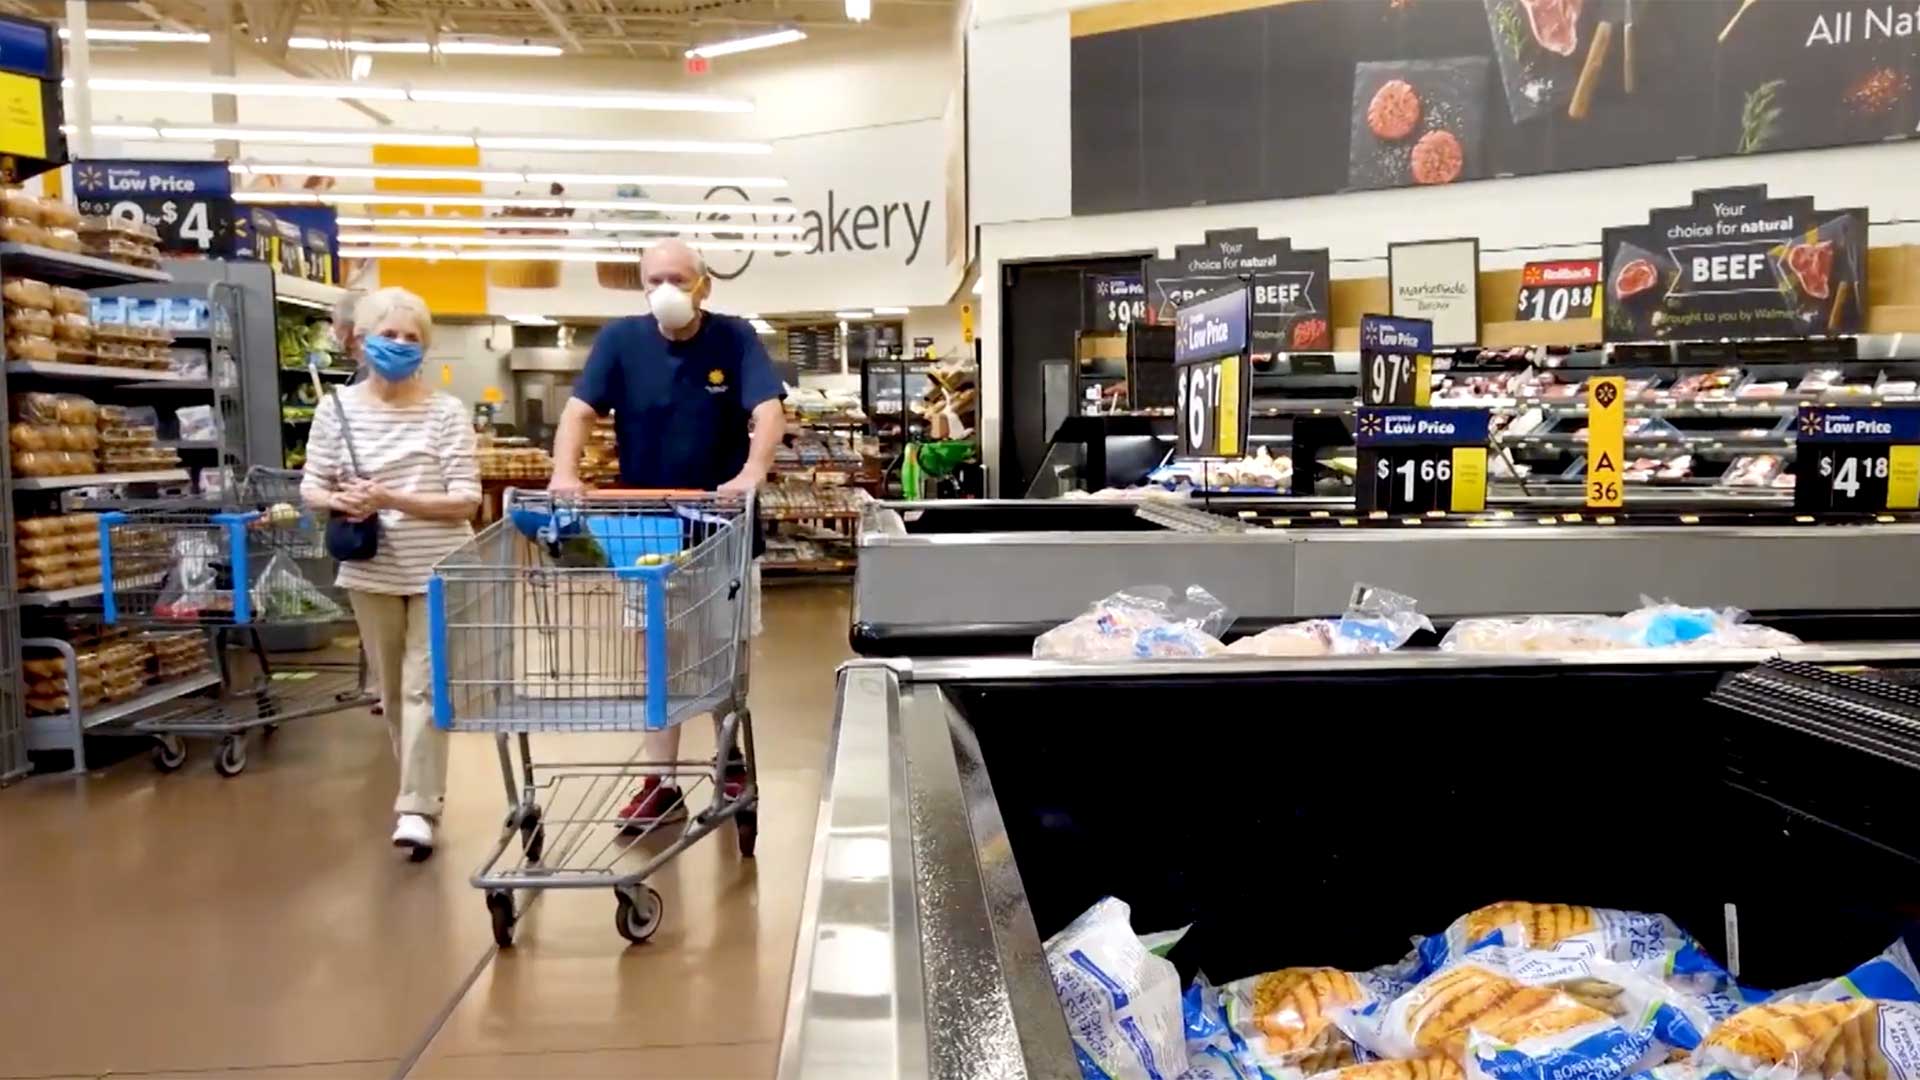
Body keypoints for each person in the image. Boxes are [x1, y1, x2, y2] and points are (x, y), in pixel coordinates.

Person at [548, 238, 784, 828]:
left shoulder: (733, 337)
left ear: (705, 284)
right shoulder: (621, 341)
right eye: (653, 280)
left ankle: (728, 760)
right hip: (647, 530)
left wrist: (751, 473)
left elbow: (768, 410)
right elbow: (579, 411)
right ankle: (662, 783)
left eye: (677, 278)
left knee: (723, 656)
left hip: (722, 526)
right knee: (658, 658)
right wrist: (564, 472)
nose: (665, 291)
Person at [300, 287, 481, 859]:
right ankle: (418, 791)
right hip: (370, 568)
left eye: (412, 338)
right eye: (389, 335)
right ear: (361, 340)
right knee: (392, 690)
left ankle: (416, 809)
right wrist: (339, 500)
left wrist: (391, 498)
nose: (400, 345)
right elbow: (310, 484)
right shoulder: (335, 410)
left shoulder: (446, 412)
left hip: (439, 566)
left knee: (425, 687)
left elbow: (466, 501)